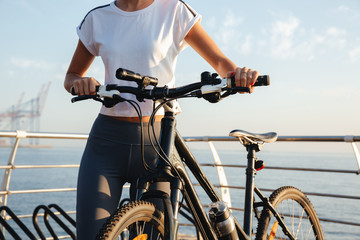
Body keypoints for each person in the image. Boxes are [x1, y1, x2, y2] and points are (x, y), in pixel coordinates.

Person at [64, 0, 259, 238]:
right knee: (91, 236)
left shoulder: (174, 10)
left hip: (158, 142)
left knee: (159, 233)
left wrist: (237, 75)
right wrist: (80, 83)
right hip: (106, 142)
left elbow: (219, 61)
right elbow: (71, 76)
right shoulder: (97, 18)